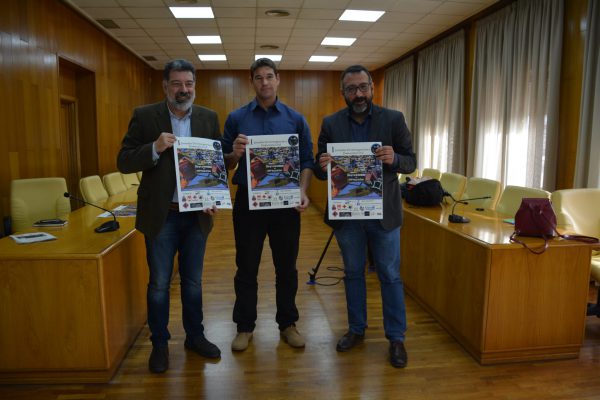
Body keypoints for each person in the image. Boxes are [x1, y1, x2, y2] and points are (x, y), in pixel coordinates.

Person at [117, 59, 222, 373]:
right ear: (165, 86)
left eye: (188, 83)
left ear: (194, 86)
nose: (183, 89)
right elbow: (123, 160)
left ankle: (195, 337)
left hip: (196, 216)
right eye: (176, 84)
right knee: (159, 284)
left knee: (193, 282)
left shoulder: (208, 117)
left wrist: (213, 196)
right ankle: (160, 344)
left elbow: (215, 165)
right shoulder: (145, 116)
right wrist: (154, 147)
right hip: (161, 217)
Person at [314, 65, 416, 368]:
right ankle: (357, 329)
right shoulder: (331, 123)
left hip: (384, 216)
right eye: (351, 89)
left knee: (390, 275)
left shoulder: (393, 119)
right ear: (343, 93)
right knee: (353, 273)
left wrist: (394, 159)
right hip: (348, 216)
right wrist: (323, 165)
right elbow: (320, 169)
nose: (358, 94)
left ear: (372, 88)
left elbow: (411, 162)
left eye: (363, 87)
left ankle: (396, 338)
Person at [222, 58, 314, 351]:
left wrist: (302, 191)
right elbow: (222, 163)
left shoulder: (295, 119)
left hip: (285, 205)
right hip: (248, 204)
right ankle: (244, 327)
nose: (264, 82)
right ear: (252, 81)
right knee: (246, 267)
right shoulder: (236, 118)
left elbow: (307, 160)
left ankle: (288, 324)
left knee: (286, 268)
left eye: (269, 76)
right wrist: (234, 155)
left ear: (278, 79)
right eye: (259, 77)